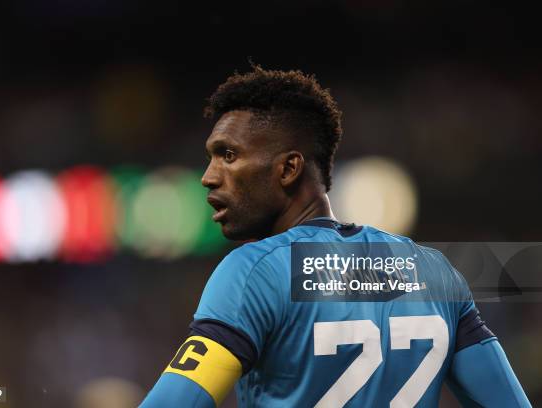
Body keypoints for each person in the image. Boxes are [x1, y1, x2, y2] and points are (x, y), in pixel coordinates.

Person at [140, 66, 531, 407]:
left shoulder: (253, 272)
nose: (208, 176)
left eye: (227, 155)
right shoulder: (433, 271)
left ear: (289, 168)